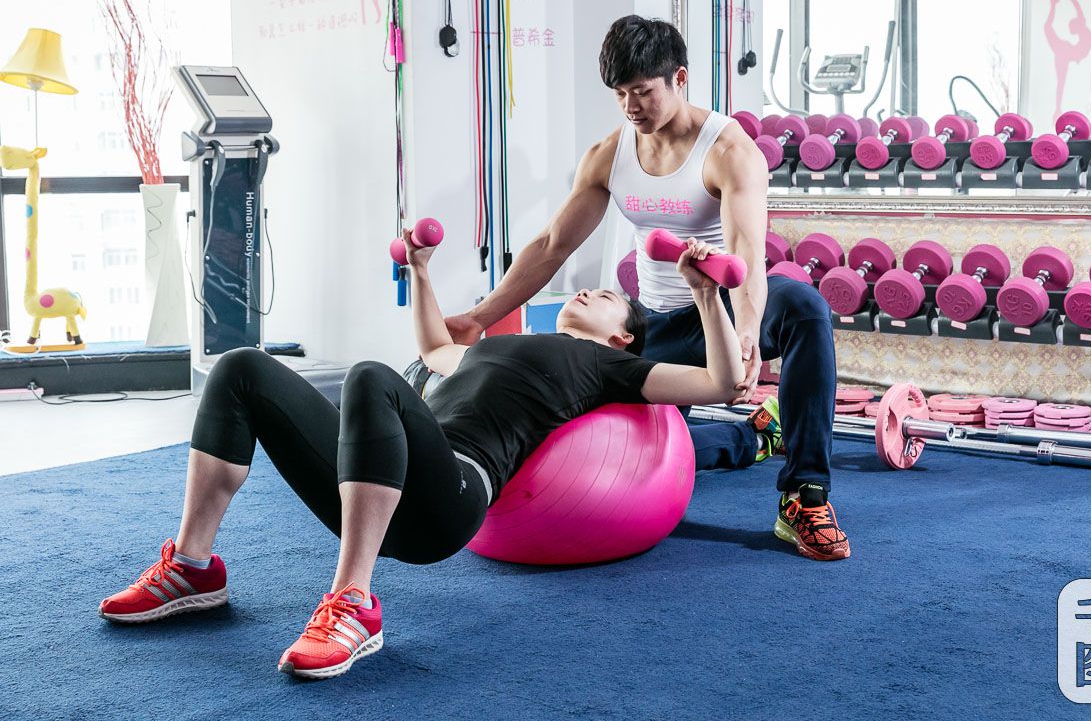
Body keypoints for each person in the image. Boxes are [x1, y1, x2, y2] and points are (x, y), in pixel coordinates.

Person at [98, 233, 742, 680]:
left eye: (602, 296)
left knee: (372, 378)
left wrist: (708, 297)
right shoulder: (501, 346)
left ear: (622, 334)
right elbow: (437, 351)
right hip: (381, 482)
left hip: (451, 498)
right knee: (241, 368)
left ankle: (353, 603)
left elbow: (720, 383)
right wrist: (422, 270)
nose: (584, 293)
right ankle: (193, 568)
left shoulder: (609, 367)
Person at [444, 15, 848, 561]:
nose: (632, 106)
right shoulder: (609, 156)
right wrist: (479, 316)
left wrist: (749, 332)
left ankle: (805, 494)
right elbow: (553, 244)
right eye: (620, 94)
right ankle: (756, 436)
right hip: (648, 327)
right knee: (640, 447)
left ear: (679, 78)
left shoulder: (729, 151)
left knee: (802, 305)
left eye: (643, 91)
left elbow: (748, 253)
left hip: (716, 315)